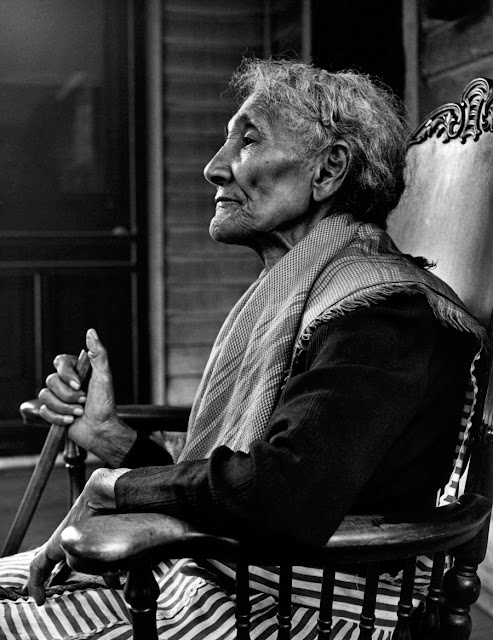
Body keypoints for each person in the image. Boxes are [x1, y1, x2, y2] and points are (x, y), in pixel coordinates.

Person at [0, 59, 485, 640]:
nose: (214, 166)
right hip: (229, 570)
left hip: (303, 606)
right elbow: (241, 479)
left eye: (248, 139)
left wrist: (116, 487)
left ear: (329, 169)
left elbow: (281, 492)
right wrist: (111, 439)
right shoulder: (298, 295)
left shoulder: (384, 312)